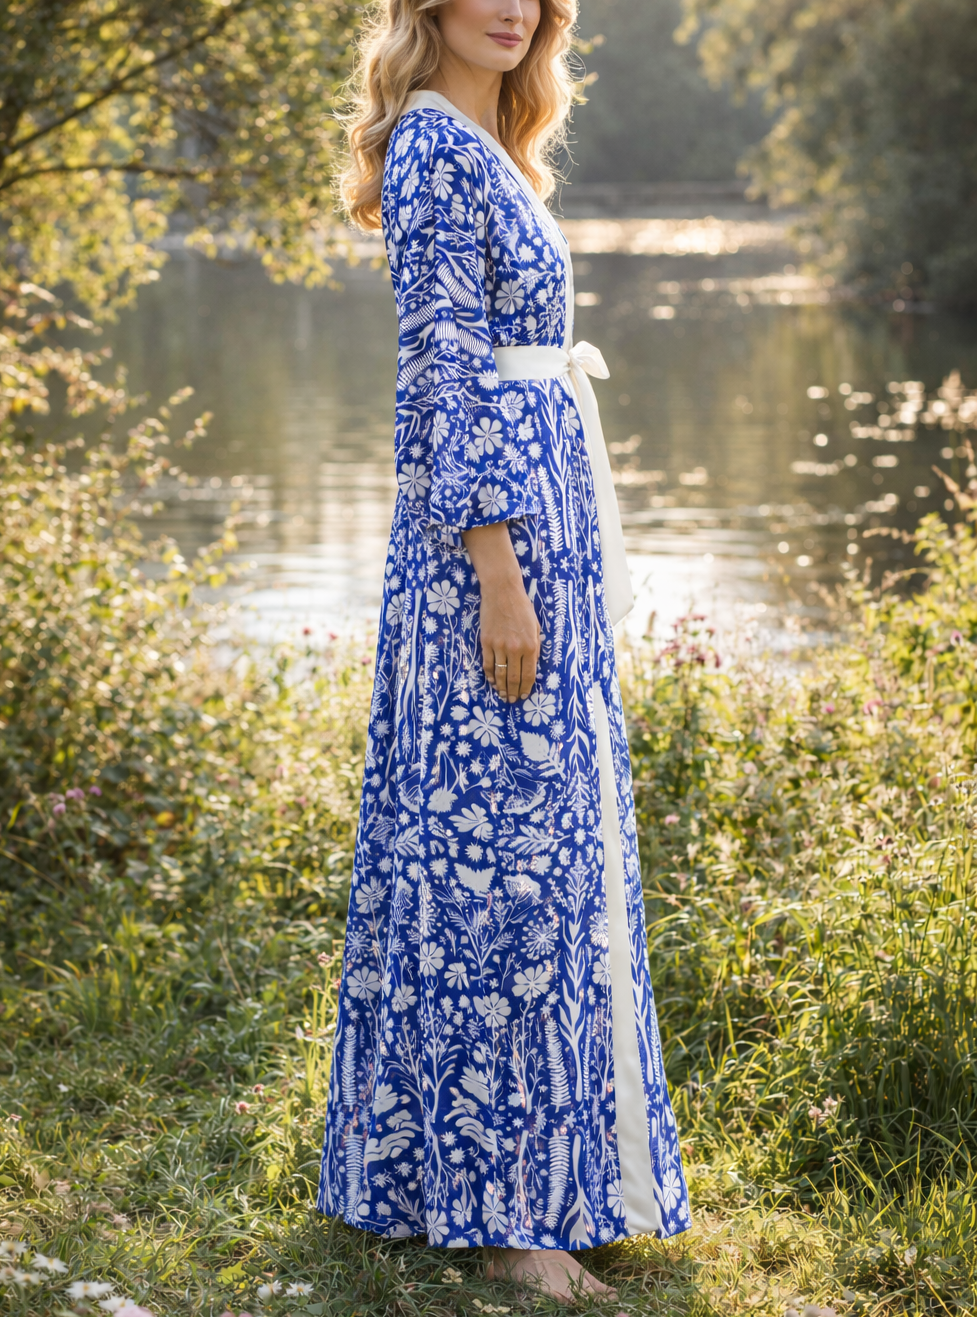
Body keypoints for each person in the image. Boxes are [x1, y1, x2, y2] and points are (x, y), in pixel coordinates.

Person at [316, 0, 690, 1302]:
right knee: (503, 870)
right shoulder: (429, 147)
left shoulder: (489, 148)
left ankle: (496, 1179)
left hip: (541, 529)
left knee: (528, 850)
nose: (508, 7)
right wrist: (497, 571)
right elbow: (439, 369)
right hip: (491, 549)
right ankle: (510, 1214)